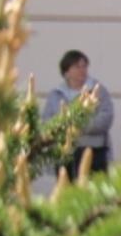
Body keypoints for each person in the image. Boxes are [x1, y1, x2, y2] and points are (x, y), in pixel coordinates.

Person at [42, 49, 114, 178]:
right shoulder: (56, 95)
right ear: (66, 71)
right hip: (65, 152)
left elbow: (106, 116)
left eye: (84, 66)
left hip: (93, 150)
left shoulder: (98, 90)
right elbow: (47, 121)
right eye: (77, 66)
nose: (82, 70)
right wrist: (62, 129)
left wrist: (80, 126)